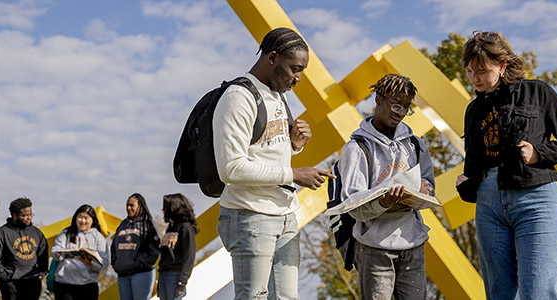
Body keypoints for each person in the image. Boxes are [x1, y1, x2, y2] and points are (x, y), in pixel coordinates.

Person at [456, 31, 557, 299]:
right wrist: (467, 184)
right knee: (500, 294)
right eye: (470, 71)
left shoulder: (537, 92)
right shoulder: (473, 109)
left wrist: (540, 153)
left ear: (502, 66)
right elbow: (473, 162)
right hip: (489, 205)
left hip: (536, 199)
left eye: (482, 71)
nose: (474, 79)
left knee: (538, 293)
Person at [213, 26, 333, 299]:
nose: (299, 77)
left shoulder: (278, 96)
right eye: (295, 68)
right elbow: (230, 168)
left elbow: (263, 152)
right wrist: (292, 174)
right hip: (249, 215)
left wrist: (293, 146)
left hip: (285, 215)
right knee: (253, 296)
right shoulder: (238, 97)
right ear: (272, 57)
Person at [338, 74, 435, 300]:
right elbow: (352, 204)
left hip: (413, 243)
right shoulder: (356, 149)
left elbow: (429, 185)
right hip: (374, 246)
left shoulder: (415, 144)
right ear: (378, 99)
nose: (399, 112)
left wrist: (424, 190)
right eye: (394, 104)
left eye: (406, 107)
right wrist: (383, 202)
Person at [0, 197, 49, 300]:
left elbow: (43, 256)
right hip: (11, 282)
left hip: (32, 281)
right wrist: (4, 278)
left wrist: (40, 275)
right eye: (25, 215)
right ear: (14, 215)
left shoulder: (37, 233)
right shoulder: (2, 233)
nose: (29, 218)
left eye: (30, 214)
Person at [50, 204, 110, 300]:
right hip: (64, 284)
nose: (82, 221)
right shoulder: (66, 233)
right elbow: (55, 250)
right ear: (75, 218)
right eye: (80, 217)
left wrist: (91, 264)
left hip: (88, 286)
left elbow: (105, 263)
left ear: (92, 220)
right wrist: (58, 254)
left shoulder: (98, 237)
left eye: (86, 218)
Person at [111, 193, 160, 300]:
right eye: (127, 205)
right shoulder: (123, 224)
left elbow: (154, 248)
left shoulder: (148, 224)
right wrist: (116, 264)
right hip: (123, 274)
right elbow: (114, 246)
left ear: (140, 206)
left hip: (141, 273)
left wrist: (139, 264)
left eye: (132, 205)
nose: (129, 208)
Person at [157, 193, 198, 300]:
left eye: (165, 207)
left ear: (174, 208)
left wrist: (182, 282)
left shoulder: (186, 229)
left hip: (175, 275)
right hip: (164, 274)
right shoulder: (170, 228)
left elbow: (189, 257)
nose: (163, 210)